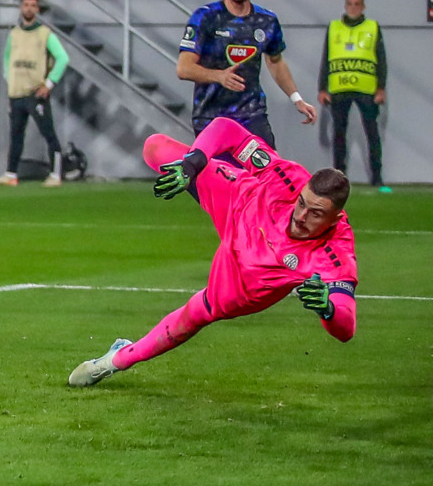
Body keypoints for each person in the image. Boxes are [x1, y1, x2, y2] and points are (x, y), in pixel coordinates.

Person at [69, 118, 357, 387]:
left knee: (195, 314)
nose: (302, 216)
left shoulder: (335, 254)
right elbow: (226, 128)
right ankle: (192, 172)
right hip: (238, 200)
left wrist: (328, 310)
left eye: (316, 213)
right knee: (155, 147)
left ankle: (114, 360)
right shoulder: (288, 177)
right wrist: (193, 164)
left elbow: (346, 327)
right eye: (302, 203)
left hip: (246, 275)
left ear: (335, 218)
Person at [178, 0, 316, 147]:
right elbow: (184, 69)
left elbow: (275, 61)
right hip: (210, 116)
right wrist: (219, 76)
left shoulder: (266, 21)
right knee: (217, 176)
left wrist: (297, 99)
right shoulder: (205, 17)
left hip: (252, 114)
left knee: (268, 172)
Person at [0, 0, 69, 188]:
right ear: (20, 8)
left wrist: (49, 84)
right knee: (16, 135)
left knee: (48, 133)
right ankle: (11, 174)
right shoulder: (14, 34)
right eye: (26, 5)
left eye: (33, 5)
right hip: (16, 93)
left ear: (37, 10)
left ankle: (56, 174)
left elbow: (63, 58)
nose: (29, 9)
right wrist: (11, 80)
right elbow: (7, 59)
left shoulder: (45, 34)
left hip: (35, 92)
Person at [318, 0, 389, 191]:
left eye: (357, 4)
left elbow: (381, 59)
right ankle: (338, 179)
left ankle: (377, 177)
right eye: (350, 4)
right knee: (339, 134)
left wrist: (381, 87)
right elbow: (326, 59)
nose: (353, 7)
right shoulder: (334, 28)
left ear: (363, 7)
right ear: (345, 5)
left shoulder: (372, 28)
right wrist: (322, 88)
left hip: (366, 89)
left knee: (372, 134)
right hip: (339, 88)